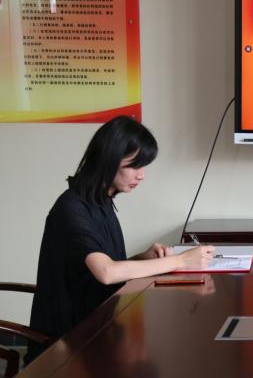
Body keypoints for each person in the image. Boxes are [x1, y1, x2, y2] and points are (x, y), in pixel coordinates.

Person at [27, 116, 215, 362]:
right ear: (109, 160)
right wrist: (181, 261)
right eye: (135, 166)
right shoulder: (72, 208)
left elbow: (100, 266)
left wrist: (143, 258)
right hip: (69, 344)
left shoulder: (101, 201)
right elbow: (106, 273)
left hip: (100, 325)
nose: (142, 175)